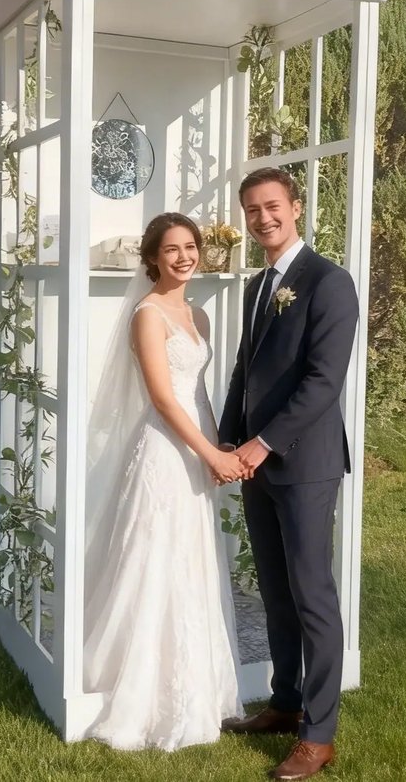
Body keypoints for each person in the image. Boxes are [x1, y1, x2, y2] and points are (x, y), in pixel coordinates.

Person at [81, 213, 245, 751]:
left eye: (191, 246)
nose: (183, 256)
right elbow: (163, 398)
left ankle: (197, 677)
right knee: (155, 558)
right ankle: (142, 690)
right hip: (163, 452)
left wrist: (219, 447)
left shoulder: (196, 312)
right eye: (171, 249)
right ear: (152, 257)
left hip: (196, 448)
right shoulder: (148, 314)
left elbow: (197, 392)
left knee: (191, 558)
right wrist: (207, 454)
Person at [218, 167, 359, 782]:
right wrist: (229, 439)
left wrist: (261, 443)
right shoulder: (257, 285)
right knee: (273, 592)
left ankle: (318, 735)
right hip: (254, 464)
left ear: (296, 208)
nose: (262, 218)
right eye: (252, 210)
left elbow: (324, 383)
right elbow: (246, 371)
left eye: (272, 206)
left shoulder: (330, 282)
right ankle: (283, 702)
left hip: (302, 464)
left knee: (312, 598)